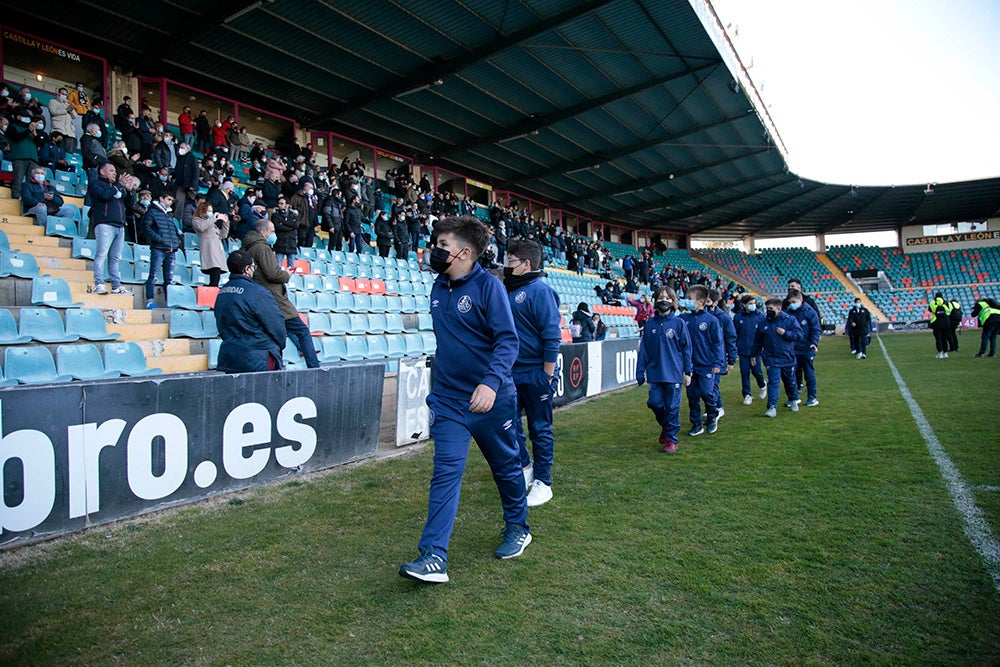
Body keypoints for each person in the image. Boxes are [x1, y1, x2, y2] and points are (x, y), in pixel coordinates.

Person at [398, 216, 530, 584]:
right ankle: (433, 555)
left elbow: (507, 340)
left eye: (442, 245)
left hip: (493, 399)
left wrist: (490, 383)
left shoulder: (489, 287)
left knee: (505, 467)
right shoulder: (438, 288)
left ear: (465, 252)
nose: (434, 251)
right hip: (451, 403)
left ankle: (518, 526)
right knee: (446, 473)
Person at [503, 240, 561, 507]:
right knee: (509, 426)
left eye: (511, 261)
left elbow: (552, 337)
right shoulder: (507, 290)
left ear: (526, 264)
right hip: (510, 374)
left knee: (540, 429)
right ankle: (525, 467)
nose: (506, 265)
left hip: (536, 373)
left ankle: (543, 482)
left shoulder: (540, 291)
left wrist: (547, 376)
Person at [242, 219, 320, 369]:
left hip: (261, 297)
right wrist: (286, 275)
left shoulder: (247, 247)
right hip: (274, 297)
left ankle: (284, 361)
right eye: (272, 231)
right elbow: (273, 273)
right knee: (302, 330)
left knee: (280, 331)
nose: (274, 235)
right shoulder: (262, 248)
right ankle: (314, 366)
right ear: (263, 232)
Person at [636, 287, 692, 453]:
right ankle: (666, 426)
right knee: (654, 403)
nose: (663, 300)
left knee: (673, 407)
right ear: (655, 300)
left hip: (674, 373)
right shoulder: (650, 324)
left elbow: (687, 349)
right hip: (655, 373)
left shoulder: (679, 323)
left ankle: (672, 440)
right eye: (660, 297)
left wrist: (688, 371)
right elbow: (644, 350)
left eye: (667, 297)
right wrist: (640, 371)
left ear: (673, 301)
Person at [214, 250, 287, 373]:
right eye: (253, 267)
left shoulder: (222, 292)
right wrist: (278, 346)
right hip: (258, 358)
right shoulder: (258, 292)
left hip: (230, 356)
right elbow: (276, 324)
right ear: (247, 269)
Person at [678, 284, 723, 436]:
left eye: (690, 298)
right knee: (692, 396)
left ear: (701, 301)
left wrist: (717, 362)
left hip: (707, 365)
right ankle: (696, 424)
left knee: (706, 392)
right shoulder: (683, 319)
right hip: (690, 366)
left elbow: (718, 343)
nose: (687, 301)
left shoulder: (711, 321)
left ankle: (712, 415)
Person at [752, 298, 802, 418]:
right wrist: (754, 354)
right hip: (771, 358)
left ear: (779, 309)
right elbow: (757, 341)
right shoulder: (763, 323)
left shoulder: (789, 320)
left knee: (789, 381)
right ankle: (772, 406)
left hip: (787, 357)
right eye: (767, 309)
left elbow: (799, 335)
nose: (768, 311)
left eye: (771, 309)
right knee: (773, 382)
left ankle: (794, 399)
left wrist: (785, 333)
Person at [88, 162, 133, 296]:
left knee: (115, 258)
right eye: (111, 170)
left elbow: (130, 205)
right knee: (101, 255)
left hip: (120, 226)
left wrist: (129, 190)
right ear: (102, 172)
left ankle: (116, 286)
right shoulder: (95, 184)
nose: (115, 173)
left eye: (115, 170)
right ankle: (99, 284)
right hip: (105, 224)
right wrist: (119, 185)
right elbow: (105, 196)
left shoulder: (116, 188)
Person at [143, 192, 181, 308]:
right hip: (158, 249)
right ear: (161, 198)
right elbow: (146, 227)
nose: (170, 202)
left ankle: (168, 302)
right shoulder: (152, 212)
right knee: (153, 275)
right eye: (168, 199)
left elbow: (174, 231)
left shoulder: (169, 215)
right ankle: (150, 301)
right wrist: (158, 239)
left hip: (171, 250)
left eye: (171, 200)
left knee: (169, 279)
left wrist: (176, 242)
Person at [706, 289, 737, 418]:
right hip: (703, 358)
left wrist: (731, 360)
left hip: (717, 358)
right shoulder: (700, 315)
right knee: (707, 387)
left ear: (715, 302)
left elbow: (731, 339)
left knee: (713, 386)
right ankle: (715, 407)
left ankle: (715, 410)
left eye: (707, 301)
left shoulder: (724, 318)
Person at [733, 294, 767, 405]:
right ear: (744, 305)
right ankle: (747, 394)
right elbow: (735, 333)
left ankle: (762, 385)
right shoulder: (738, 318)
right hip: (743, 350)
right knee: (744, 372)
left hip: (756, 350)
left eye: (754, 303)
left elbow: (763, 333)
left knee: (756, 371)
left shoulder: (760, 316)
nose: (753, 306)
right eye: (750, 304)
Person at [191, 201, 229, 287]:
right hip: (209, 250)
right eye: (209, 210)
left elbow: (223, 235)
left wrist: (225, 222)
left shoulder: (212, 223)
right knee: (214, 273)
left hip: (217, 250)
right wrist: (214, 217)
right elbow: (201, 227)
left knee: (216, 274)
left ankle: (212, 292)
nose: (211, 212)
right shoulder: (197, 220)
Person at [6, 111, 38, 200]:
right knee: (18, 179)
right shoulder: (12, 127)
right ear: (18, 117)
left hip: (33, 158)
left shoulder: (32, 130)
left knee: (31, 182)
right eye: (25, 116)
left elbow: (40, 144)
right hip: (19, 156)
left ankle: (28, 200)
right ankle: (15, 199)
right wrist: (28, 130)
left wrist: (35, 133)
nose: (27, 119)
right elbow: (16, 138)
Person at [271, 196, 299, 268]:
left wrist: (283, 222)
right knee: (278, 266)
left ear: (287, 205)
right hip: (280, 243)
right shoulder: (275, 215)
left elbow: (296, 225)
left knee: (291, 267)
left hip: (291, 243)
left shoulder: (293, 215)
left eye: (281, 203)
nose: (279, 205)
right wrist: (290, 227)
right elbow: (277, 226)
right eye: (279, 203)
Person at [47, 87, 77, 153]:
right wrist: (66, 110)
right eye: (63, 94)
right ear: (58, 94)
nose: (64, 96)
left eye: (66, 95)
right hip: (58, 130)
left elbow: (75, 116)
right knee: (57, 151)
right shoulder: (53, 101)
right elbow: (53, 111)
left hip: (69, 132)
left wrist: (69, 107)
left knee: (68, 153)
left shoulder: (67, 104)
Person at [928, 292, 952, 359]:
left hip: (937, 322)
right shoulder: (946, 302)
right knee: (945, 338)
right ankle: (945, 353)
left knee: (938, 338)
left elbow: (930, 310)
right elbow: (949, 311)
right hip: (946, 322)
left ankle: (940, 353)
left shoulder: (932, 302)